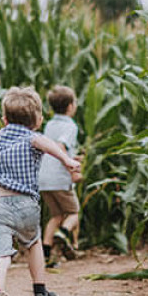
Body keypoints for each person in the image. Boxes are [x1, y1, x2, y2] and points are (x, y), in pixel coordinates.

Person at [0, 86, 81, 296]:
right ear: (37, 121)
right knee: (33, 243)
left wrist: (6, 128)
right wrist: (68, 161)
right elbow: (47, 144)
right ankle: (40, 294)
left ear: (4, 120)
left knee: (0, 253)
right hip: (25, 203)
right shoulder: (32, 137)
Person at [37, 85, 83, 267]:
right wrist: (71, 165)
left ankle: (47, 255)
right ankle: (63, 234)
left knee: (55, 216)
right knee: (73, 213)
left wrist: (72, 156)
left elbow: (52, 147)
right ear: (70, 106)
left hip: (44, 178)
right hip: (59, 178)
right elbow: (62, 147)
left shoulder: (50, 124)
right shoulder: (70, 126)